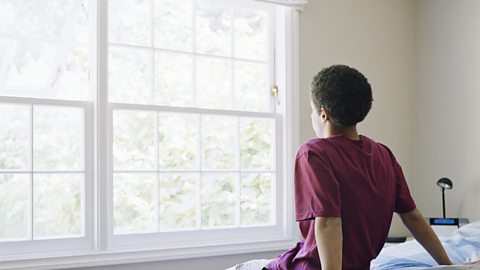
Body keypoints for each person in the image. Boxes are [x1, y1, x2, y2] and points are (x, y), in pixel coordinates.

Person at [266, 65, 452, 270]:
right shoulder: (384, 155)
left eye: (312, 109)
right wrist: (449, 266)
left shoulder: (314, 153)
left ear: (323, 113)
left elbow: (329, 223)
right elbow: (413, 217)